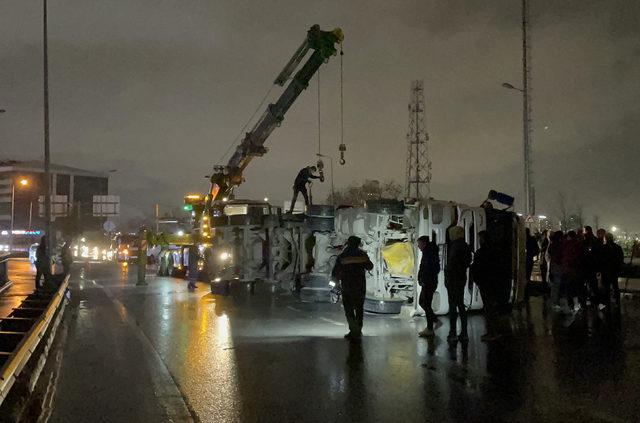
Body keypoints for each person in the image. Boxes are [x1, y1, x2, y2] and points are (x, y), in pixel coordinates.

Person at [331, 236, 373, 339]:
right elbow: (370, 267)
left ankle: (353, 330)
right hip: (360, 286)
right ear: (358, 244)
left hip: (347, 286)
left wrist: (334, 286)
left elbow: (335, 272)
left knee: (349, 309)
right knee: (359, 309)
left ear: (348, 243)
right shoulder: (362, 255)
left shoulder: (342, 256)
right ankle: (358, 330)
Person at [471, 231, 500, 341]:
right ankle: (494, 331)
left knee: (488, 308)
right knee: (491, 307)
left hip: (485, 282)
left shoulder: (481, 252)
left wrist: (477, 279)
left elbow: (477, 267)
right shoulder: (495, 251)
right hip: (492, 282)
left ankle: (491, 332)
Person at [445, 226, 472, 342]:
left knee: (453, 306)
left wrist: (447, 274)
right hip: (461, 278)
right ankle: (464, 332)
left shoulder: (455, 246)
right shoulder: (465, 246)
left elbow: (451, 264)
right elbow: (468, 261)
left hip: (453, 280)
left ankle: (453, 332)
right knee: (460, 305)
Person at [416, 235, 441, 337]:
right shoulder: (429, 253)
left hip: (428, 283)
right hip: (429, 282)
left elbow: (427, 268)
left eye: (419, 244)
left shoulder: (428, 254)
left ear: (424, 243)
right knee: (423, 302)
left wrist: (424, 279)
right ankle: (433, 320)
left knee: (425, 303)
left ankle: (430, 328)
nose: (418, 246)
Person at [600, 232, 624, 308]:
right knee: (615, 286)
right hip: (614, 270)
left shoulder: (603, 248)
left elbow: (600, 259)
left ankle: (607, 302)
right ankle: (617, 301)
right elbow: (621, 258)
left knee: (606, 287)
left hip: (605, 270)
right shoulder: (617, 247)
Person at [561, 231, 582, 313]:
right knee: (575, 287)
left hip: (568, 269)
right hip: (576, 269)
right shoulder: (578, 245)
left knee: (569, 287)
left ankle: (571, 305)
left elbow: (564, 257)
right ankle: (576, 304)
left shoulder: (566, 245)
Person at [546, 231, 564, 311]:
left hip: (554, 266)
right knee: (556, 285)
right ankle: (554, 303)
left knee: (555, 285)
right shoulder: (559, 245)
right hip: (558, 266)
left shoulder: (552, 244)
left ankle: (554, 302)